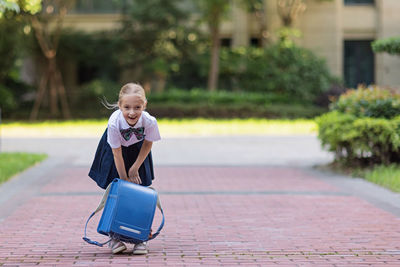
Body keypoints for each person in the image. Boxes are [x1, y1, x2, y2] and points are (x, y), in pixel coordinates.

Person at [88, 82, 161, 255]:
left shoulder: (149, 121)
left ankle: (141, 237)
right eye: (127, 107)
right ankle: (114, 237)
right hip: (115, 153)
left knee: (141, 193)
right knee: (116, 192)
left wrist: (135, 167)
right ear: (119, 106)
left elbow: (148, 144)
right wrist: (123, 180)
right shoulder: (114, 123)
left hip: (138, 152)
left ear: (144, 105)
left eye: (137, 107)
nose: (132, 112)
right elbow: (117, 154)